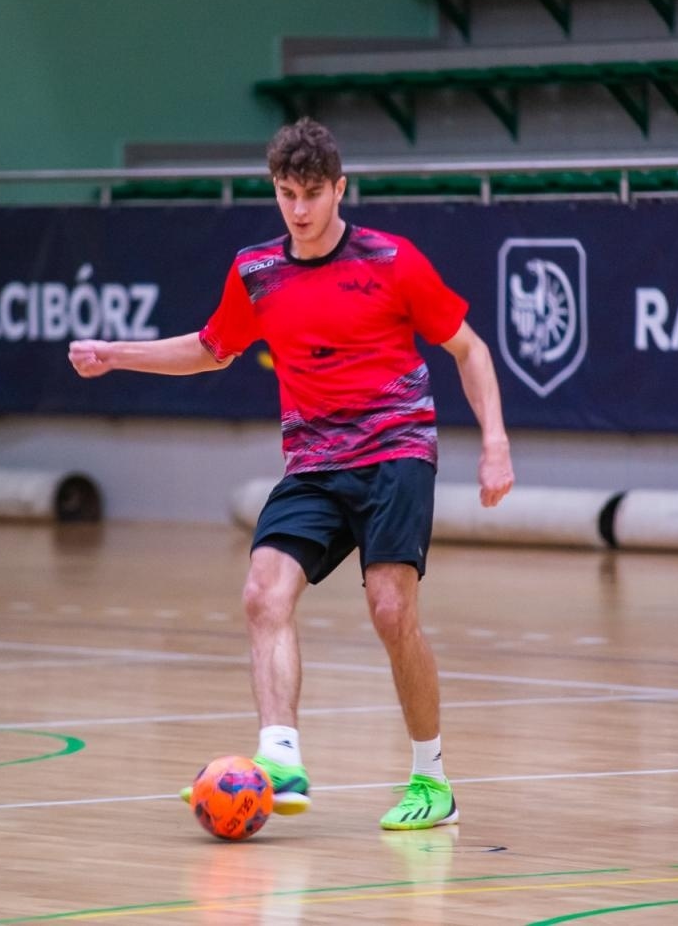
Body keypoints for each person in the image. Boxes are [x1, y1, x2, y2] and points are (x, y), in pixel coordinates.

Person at [69, 118, 514, 830]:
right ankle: (280, 758)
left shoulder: (391, 260)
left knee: (390, 611)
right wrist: (116, 354)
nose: (299, 210)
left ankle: (432, 781)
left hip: (396, 452)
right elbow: (212, 348)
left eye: (312, 193)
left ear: (340, 189)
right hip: (314, 463)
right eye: (286, 194)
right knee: (262, 592)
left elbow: (470, 350)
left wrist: (495, 443)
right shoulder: (256, 272)